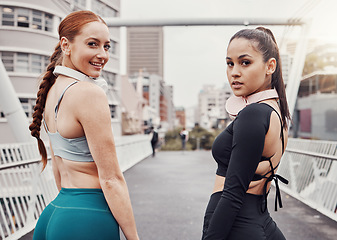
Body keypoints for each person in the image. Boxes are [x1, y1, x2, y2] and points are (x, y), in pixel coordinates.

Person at [29, 10, 139, 240]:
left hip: (55, 213)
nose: (102, 55)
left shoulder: (51, 91)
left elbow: (57, 167)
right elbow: (111, 179)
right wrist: (133, 238)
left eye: (106, 46)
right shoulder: (89, 93)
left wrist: (68, 213)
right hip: (88, 218)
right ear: (66, 45)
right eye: (92, 44)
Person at [202, 27, 291, 240]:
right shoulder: (278, 112)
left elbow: (233, 194)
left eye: (245, 62)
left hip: (234, 224)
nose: (234, 72)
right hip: (261, 219)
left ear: (270, 66)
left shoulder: (254, 114)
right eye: (229, 63)